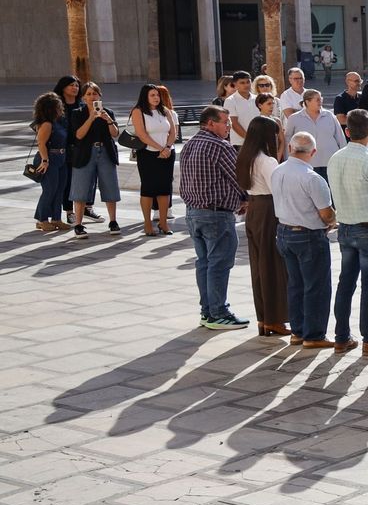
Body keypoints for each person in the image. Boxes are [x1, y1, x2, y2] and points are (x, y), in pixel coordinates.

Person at [327, 110, 368, 357]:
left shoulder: (335, 158)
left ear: (347, 131)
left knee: (345, 284)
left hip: (344, 226)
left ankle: (341, 337)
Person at [177, 106, 250, 329]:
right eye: (225, 122)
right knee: (218, 263)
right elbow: (238, 177)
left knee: (204, 263)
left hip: (193, 211)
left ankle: (207, 311)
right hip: (215, 214)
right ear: (210, 123)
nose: (229, 127)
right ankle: (218, 312)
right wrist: (245, 198)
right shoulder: (219, 145)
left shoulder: (189, 144)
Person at [270, 132, 337, 350]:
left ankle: (298, 331)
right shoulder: (312, 178)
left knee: (296, 284)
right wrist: (333, 220)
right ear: (313, 152)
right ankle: (314, 334)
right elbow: (326, 213)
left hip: (284, 231)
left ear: (290, 148)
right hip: (308, 235)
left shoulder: (277, 171)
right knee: (316, 286)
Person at [235, 117, 289, 337]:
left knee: (259, 266)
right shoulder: (267, 161)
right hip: (268, 209)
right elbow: (278, 190)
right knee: (272, 266)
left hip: (255, 209)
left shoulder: (246, 156)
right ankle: (274, 319)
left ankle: (264, 318)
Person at [65, 82, 123, 235]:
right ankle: (78, 224)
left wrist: (108, 120)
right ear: (83, 97)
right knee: (81, 188)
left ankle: (113, 221)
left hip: (105, 152)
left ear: (100, 96)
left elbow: (115, 134)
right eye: (89, 94)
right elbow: (78, 135)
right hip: (85, 153)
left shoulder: (108, 112)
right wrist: (90, 118)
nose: (92, 97)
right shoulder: (78, 113)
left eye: (95, 94)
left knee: (110, 186)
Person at [130, 83, 180, 236]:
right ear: (145, 96)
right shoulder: (138, 111)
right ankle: (147, 224)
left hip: (167, 153)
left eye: (157, 95)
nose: (156, 98)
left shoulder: (165, 110)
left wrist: (167, 147)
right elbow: (141, 134)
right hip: (148, 154)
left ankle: (163, 223)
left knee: (165, 188)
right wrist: (160, 148)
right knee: (148, 188)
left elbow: (173, 132)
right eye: (152, 95)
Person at [30, 92, 72, 233]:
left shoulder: (58, 122)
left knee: (60, 189)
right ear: (51, 108)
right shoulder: (46, 124)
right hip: (49, 158)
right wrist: (45, 160)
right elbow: (41, 143)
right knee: (50, 190)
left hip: (61, 158)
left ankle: (56, 219)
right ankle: (42, 220)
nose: (61, 108)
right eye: (59, 106)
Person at [286, 90, 347, 179]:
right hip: (306, 164)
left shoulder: (329, 115)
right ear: (307, 102)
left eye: (321, 99)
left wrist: (344, 158)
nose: (320, 101)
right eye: (317, 99)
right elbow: (288, 140)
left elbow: (340, 137)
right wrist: (288, 159)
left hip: (330, 162)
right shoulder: (294, 118)